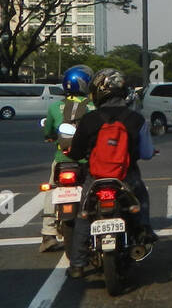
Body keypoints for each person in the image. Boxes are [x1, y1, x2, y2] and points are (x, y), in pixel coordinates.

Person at [63, 68, 157, 278]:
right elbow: (147, 152)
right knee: (140, 198)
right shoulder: (136, 119)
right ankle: (144, 231)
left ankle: (77, 264)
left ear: (98, 92)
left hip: (96, 177)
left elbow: (76, 153)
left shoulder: (89, 120)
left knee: (84, 214)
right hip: (126, 176)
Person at [39, 64, 94, 253]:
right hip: (85, 160)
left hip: (62, 159)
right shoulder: (92, 106)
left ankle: (48, 233)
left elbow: (48, 131)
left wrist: (50, 136)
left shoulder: (54, 106)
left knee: (51, 190)